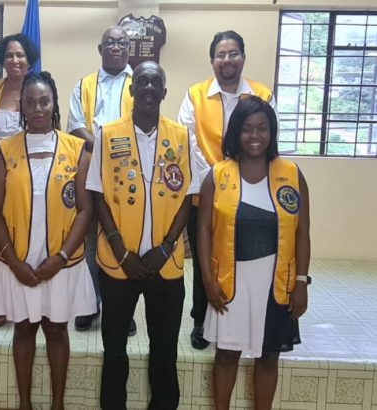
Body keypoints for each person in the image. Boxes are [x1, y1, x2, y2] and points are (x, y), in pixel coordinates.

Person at [87, 61, 194, 409]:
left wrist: (166, 248)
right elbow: (98, 194)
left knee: (164, 347)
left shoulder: (181, 136)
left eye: (155, 83)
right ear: (132, 89)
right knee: (114, 347)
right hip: (119, 263)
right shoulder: (108, 133)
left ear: (164, 91)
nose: (149, 88)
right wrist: (121, 251)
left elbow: (187, 196)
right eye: (143, 82)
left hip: (166, 263)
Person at [0, 72, 96, 410]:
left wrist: (60, 258)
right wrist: (14, 262)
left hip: (60, 264)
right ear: (21, 105)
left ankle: (57, 403)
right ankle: (25, 403)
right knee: (23, 330)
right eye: (30, 102)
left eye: (44, 101)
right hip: (17, 262)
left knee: (57, 330)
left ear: (54, 104)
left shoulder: (76, 150)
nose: (37, 108)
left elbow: (85, 210)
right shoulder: (5, 151)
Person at [198, 96, 310, 410]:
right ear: (236, 132)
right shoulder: (217, 175)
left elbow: (302, 233)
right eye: (247, 128)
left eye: (262, 128)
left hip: (276, 282)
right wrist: (207, 280)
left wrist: (301, 282)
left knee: (269, 355)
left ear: (272, 132)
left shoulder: (292, 174)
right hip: (230, 281)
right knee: (226, 354)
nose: (255, 135)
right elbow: (203, 231)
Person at [178, 30, 278, 350]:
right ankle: (200, 320)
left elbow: (269, 141)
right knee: (204, 258)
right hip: (204, 195)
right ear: (212, 61)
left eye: (233, 53)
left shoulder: (261, 95)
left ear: (243, 58)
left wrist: (240, 183)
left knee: (245, 257)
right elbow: (187, 142)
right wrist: (218, 181)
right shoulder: (195, 95)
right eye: (221, 55)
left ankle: (248, 314)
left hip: (252, 196)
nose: (227, 60)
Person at [67, 25, 135, 334]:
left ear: (128, 48)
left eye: (122, 43)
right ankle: (90, 305)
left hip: (129, 171)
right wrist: (106, 148)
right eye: (110, 42)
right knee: (91, 241)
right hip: (91, 167)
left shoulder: (139, 82)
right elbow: (75, 125)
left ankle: (122, 310)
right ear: (100, 49)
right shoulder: (84, 85)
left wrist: (117, 151)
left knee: (124, 237)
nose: (116, 47)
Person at [0, 33, 39, 328]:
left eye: (20, 55)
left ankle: (26, 297)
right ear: (2, 59)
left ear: (29, 60)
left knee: (22, 237)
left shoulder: (37, 90)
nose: (15, 60)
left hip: (28, 176)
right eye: (10, 55)